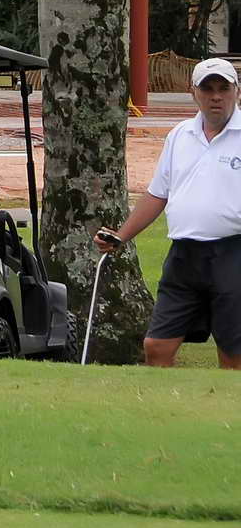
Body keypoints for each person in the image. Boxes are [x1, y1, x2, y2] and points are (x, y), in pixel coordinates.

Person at [96, 56, 241, 370]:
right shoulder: (179, 136)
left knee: (233, 353)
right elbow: (157, 194)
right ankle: (162, 399)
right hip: (183, 257)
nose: (216, 96)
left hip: (233, 254)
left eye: (224, 89)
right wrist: (120, 237)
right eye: (208, 89)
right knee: (156, 346)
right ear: (194, 93)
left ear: (236, 92)